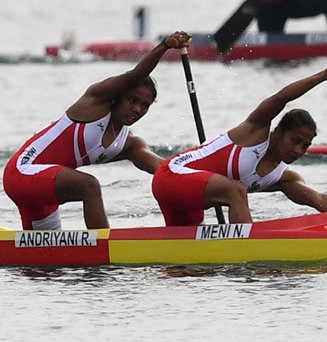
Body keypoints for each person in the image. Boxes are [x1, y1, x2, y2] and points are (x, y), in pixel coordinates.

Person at [3, 31, 193, 230]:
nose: (137, 109)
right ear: (118, 97)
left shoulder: (129, 144)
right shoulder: (94, 104)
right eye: (132, 100)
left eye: (145, 105)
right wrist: (164, 45)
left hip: (44, 191)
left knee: (43, 256)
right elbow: (134, 75)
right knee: (89, 185)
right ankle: (104, 249)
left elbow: (165, 171)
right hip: (21, 173)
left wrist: (206, 180)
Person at [152, 60, 327, 226]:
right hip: (170, 175)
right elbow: (280, 98)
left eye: (305, 146)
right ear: (278, 133)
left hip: (188, 200)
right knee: (235, 190)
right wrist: (323, 76)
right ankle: (246, 257)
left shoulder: (284, 177)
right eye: (295, 141)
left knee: (187, 266)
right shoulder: (254, 132)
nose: (298, 150)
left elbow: (319, 200)